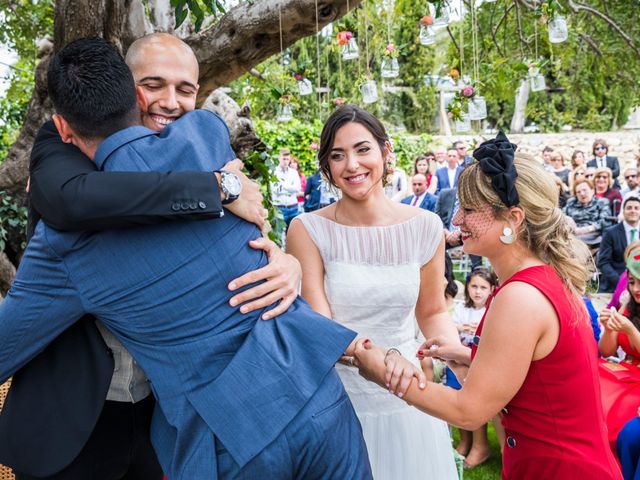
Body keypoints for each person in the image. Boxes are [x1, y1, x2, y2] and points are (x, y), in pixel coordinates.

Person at [0, 38, 371, 479]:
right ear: (131, 94)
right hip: (311, 394)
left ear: (66, 126)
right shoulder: (207, 136)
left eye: (184, 90)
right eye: (154, 85)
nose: (170, 103)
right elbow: (70, 194)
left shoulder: (65, 242)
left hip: (228, 432)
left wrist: (287, 263)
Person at [352, 132, 622, 480]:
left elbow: (469, 412)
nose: (457, 220)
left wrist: (385, 373)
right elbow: (542, 372)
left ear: (513, 219)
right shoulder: (540, 278)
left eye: (470, 210)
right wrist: (471, 357)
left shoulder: (520, 297)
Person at [286, 104, 458, 480]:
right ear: (326, 167)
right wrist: (376, 357)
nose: (352, 165)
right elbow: (320, 324)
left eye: (363, 149)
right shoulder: (306, 230)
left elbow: (431, 312)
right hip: (339, 397)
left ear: (385, 150)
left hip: (409, 391)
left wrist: (452, 353)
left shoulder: (425, 226)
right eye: (337, 155)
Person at [450, 267, 498, 468]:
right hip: (458, 361)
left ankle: (480, 445)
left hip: (478, 364)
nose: (478, 292)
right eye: (474, 286)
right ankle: (464, 441)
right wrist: (460, 328)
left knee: (473, 402)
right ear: (467, 287)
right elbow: (449, 328)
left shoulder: (493, 311)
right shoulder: (461, 309)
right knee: (455, 399)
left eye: (483, 287)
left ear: (491, 289)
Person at [599, 247, 640, 458]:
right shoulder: (627, 305)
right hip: (624, 369)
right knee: (592, 382)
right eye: (631, 282)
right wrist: (608, 328)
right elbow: (606, 351)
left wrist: (631, 330)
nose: (635, 289)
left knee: (614, 408)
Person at [598, 196, 640, 292]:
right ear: (623, 211)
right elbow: (603, 262)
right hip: (615, 285)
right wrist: (621, 282)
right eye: (629, 208)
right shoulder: (610, 233)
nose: (633, 211)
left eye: (636, 208)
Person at [563, 178, 611, 248]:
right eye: (578, 192)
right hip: (572, 234)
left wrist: (587, 229)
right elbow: (562, 216)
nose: (582, 194)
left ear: (592, 190)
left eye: (584, 190)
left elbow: (606, 221)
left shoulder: (602, 202)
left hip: (594, 235)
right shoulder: (571, 203)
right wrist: (568, 222)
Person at [272, 147, 302, 230]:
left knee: (295, 235)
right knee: (278, 233)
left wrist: (283, 185)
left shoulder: (294, 172)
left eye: (287, 159)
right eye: (283, 159)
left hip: (293, 208)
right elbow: (276, 190)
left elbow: (297, 188)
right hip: (279, 208)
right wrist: (291, 187)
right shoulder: (273, 172)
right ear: (279, 158)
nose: (285, 161)